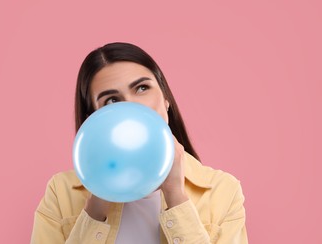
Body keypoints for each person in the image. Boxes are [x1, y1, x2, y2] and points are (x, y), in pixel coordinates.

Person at [31, 42, 248, 243]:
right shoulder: (61, 192)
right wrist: (96, 205)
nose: (132, 107)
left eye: (142, 88)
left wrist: (175, 196)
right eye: (112, 100)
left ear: (166, 98)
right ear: (93, 118)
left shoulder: (223, 191)